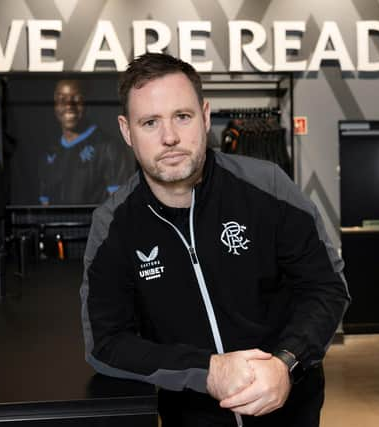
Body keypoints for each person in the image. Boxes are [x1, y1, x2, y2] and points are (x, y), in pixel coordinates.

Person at [80, 53, 350, 426]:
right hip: (192, 416)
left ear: (205, 116)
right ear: (127, 131)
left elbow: (326, 286)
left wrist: (286, 362)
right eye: (150, 122)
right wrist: (206, 370)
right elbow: (106, 343)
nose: (170, 136)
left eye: (183, 116)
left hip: (289, 410)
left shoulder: (268, 186)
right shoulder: (112, 225)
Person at [38, 79, 133, 205]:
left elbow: (118, 207)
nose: (69, 106)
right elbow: (45, 206)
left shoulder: (108, 147)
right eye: (62, 99)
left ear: (86, 102)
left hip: (93, 224)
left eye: (76, 98)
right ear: (55, 105)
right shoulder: (50, 151)